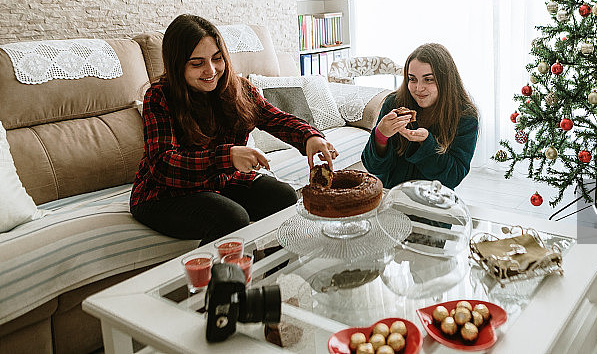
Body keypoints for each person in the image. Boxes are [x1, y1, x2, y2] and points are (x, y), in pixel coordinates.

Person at [131, 14, 338, 245]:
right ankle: (221, 281)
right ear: (177, 65)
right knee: (231, 218)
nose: (210, 70)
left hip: (220, 181)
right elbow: (163, 165)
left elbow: (275, 118)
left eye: (217, 59)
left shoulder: (237, 89)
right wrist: (227, 157)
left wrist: (309, 137)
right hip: (162, 194)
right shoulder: (159, 97)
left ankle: (273, 275)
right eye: (197, 63)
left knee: (284, 197)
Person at [361, 43, 478, 189]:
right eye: (412, 79)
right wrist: (380, 135)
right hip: (390, 196)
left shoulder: (465, 116)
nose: (418, 88)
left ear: (445, 80)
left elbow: (453, 177)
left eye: (428, 79)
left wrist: (426, 143)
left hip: (433, 200)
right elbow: (373, 168)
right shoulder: (394, 104)